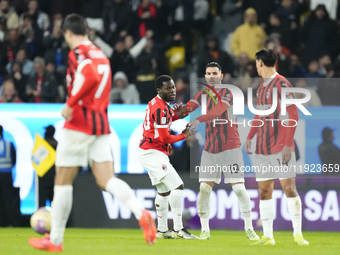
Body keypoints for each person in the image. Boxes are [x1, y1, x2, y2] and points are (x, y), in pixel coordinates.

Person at [28, 14, 156, 252]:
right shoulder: (100, 53)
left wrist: (70, 104)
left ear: (68, 33)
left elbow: (90, 76)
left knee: (62, 181)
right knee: (107, 179)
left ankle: (55, 241)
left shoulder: (78, 53)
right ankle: (142, 213)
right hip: (100, 125)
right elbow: (99, 79)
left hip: (78, 124)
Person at [187, 62, 259, 240]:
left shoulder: (229, 92)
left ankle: (249, 228)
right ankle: (205, 230)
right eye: (208, 73)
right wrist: (172, 113)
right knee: (204, 189)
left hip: (231, 148)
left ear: (221, 75)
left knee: (240, 190)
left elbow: (218, 111)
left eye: (214, 73)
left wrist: (199, 119)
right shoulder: (202, 94)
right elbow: (189, 106)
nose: (211, 76)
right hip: (210, 151)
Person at [244, 49, 309, 246]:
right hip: (263, 147)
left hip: (281, 145)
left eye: (256, 62)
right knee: (264, 190)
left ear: (260, 63)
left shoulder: (282, 83)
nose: (256, 66)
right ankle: (268, 237)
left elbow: (293, 115)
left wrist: (288, 144)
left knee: (289, 188)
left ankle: (298, 234)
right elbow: (259, 114)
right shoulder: (263, 87)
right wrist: (250, 136)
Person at [138, 75, 197, 240]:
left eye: (172, 87)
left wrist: (180, 114)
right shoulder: (160, 108)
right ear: (159, 90)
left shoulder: (160, 104)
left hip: (151, 151)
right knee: (177, 185)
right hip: (152, 152)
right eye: (167, 88)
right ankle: (178, 229)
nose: (172, 90)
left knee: (164, 191)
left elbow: (172, 115)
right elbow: (165, 138)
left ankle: (162, 230)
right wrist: (184, 135)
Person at [0, 125, 21, 227]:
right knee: (8, 199)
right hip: (7, 175)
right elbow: (14, 160)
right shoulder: (9, 144)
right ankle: (10, 222)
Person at [38, 125, 57, 207]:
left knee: (41, 203)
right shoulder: (58, 144)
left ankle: (40, 219)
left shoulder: (42, 145)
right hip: (55, 177)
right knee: (54, 203)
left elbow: (36, 160)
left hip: (43, 177)